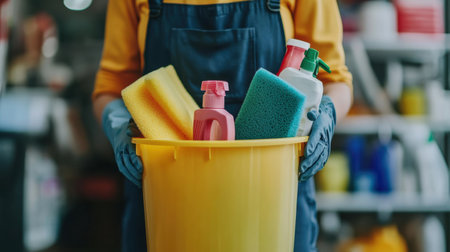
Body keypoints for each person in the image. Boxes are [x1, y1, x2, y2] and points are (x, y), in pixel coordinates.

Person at [92, 0, 352, 251]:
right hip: (167, 194)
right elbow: (111, 85)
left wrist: (327, 114)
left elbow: (335, 78)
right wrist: (118, 125)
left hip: (273, 194)